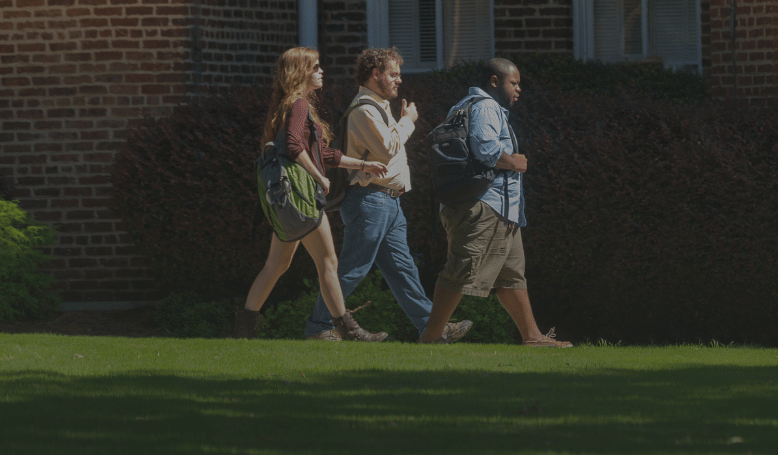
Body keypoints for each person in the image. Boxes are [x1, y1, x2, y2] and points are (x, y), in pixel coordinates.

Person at [301, 48, 471, 343]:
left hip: (388, 202)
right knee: (353, 269)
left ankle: (432, 329)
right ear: (375, 74)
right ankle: (319, 325)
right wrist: (409, 121)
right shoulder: (365, 109)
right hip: (370, 201)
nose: (399, 80)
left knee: (403, 272)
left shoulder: (379, 107)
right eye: (393, 74)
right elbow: (387, 148)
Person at [233, 47, 390, 342]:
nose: (321, 71)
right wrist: (318, 176)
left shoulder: (287, 106)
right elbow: (295, 146)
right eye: (316, 67)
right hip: (303, 198)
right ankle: (349, 330)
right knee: (328, 262)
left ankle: (244, 328)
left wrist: (363, 164)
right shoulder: (299, 104)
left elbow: (323, 153)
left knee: (276, 264)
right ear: (301, 72)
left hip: (286, 199)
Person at [419, 57, 569, 347]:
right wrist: (516, 162)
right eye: (514, 82)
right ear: (494, 81)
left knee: (511, 275)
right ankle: (431, 337)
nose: (519, 89)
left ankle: (533, 336)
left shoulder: (463, 106)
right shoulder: (486, 106)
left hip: (500, 210)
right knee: (461, 269)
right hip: (484, 206)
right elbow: (486, 150)